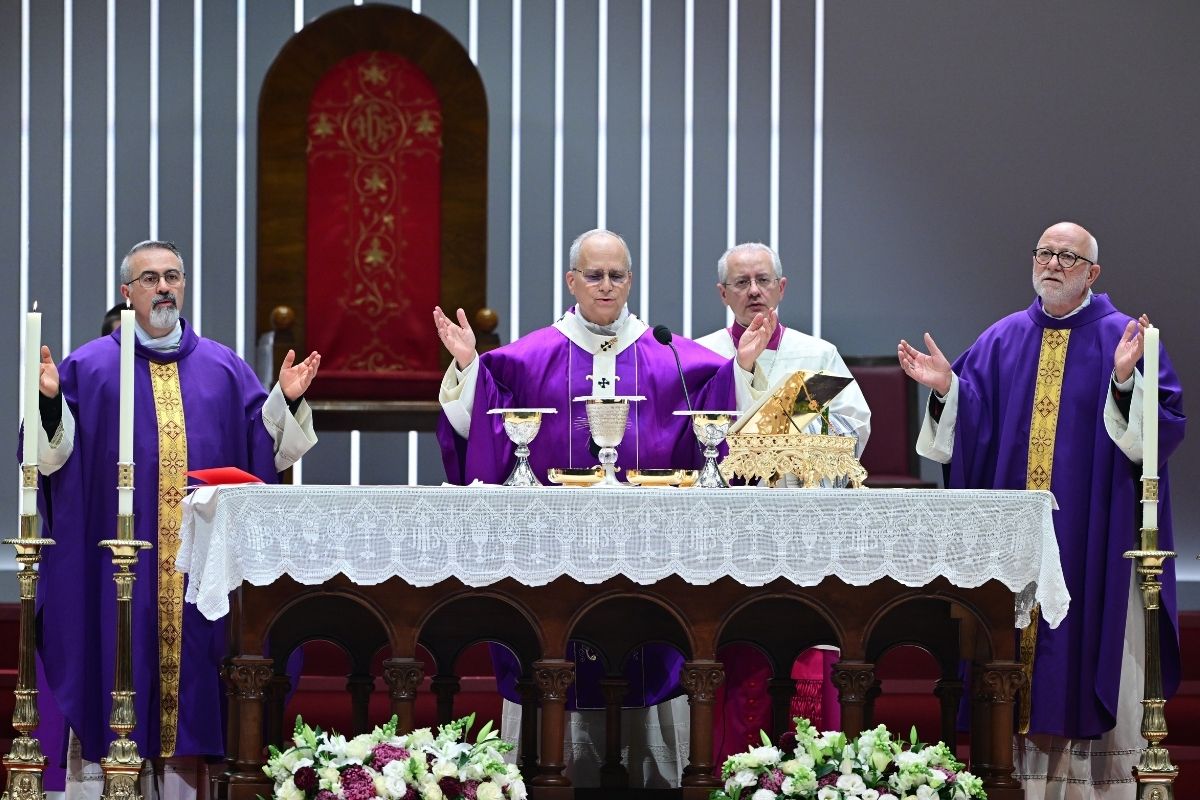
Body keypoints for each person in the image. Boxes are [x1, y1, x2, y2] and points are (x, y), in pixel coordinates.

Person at [897, 221, 1186, 798]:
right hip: (1016, 553)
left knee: (1086, 649)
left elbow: (1159, 434)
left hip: (1092, 537)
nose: (1053, 263)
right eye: (1045, 253)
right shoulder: (1001, 339)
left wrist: (1126, 381)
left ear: (1092, 273)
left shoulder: (1124, 338)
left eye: (1068, 256)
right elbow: (966, 432)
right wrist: (946, 392)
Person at [34, 240, 322, 800]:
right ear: (127, 293)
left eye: (172, 276)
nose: (163, 287)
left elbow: (263, 452)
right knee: (118, 667)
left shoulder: (222, 368)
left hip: (199, 575)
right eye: (150, 279)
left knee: (198, 682)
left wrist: (283, 402)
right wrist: (49, 403)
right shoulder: (88, 367)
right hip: (112, 571)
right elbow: (51, 454)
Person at [435, 228, 773, 485]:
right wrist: (468, 364)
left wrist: (742, 367)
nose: (606, 286)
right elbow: (483, 420)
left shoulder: (672, 356)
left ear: (630, 281)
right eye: (594, 275)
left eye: (616, 276)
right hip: (552, 521)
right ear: (572, 281)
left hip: (652, 521)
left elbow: (719, 413)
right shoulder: (526, 360)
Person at [696, 242, 871, 455]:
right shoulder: (700, 354)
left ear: (781, 288)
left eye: (763, 280)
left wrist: (785, 436)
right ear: (723, 293)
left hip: (798, 483)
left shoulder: (819, 354)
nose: (753, 291)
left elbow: (853, 425)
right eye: (742, 282)